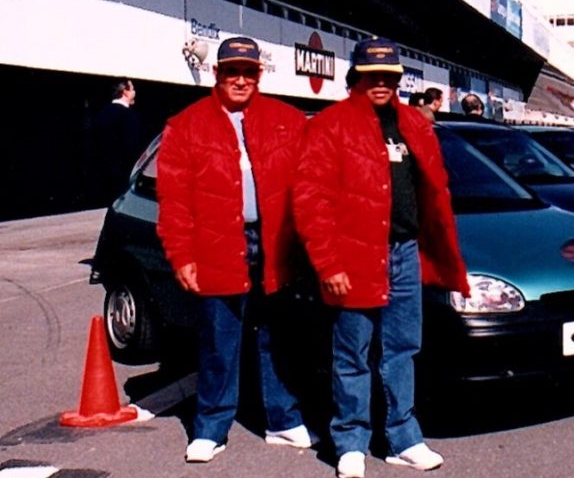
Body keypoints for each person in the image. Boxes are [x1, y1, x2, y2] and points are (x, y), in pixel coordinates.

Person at [293, 37, 469, 478]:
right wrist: (329, 264)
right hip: (354, 255)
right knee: (352, 353)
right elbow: (311, 200)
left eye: (389, 76)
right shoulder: (330, 125)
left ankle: (402, 439)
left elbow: (434, 191)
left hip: (404, 253)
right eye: (372, 75)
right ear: (356, 76)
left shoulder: (414, 124)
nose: (381, 83)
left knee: (402, 349)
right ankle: (350, 442)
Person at [156, 37, 313, 463]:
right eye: (232, 71)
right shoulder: (186, 126)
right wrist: (182, 256)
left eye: (248, 71)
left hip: (277, 243)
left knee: (279, 337)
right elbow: (173, 200)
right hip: (218, 244)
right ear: (217, 73)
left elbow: (310, 186)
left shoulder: (288, 120)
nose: (240, 80)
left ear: (259, 74)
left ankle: (283, 419)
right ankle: (211, 427)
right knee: (218, 339)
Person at [92, 78, 143, 205]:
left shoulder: (101, 113)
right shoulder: (128, 116)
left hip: (102, 171)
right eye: (132, 89)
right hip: (123, 174)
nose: (135, 92)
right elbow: (132, 146)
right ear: (125, 92)